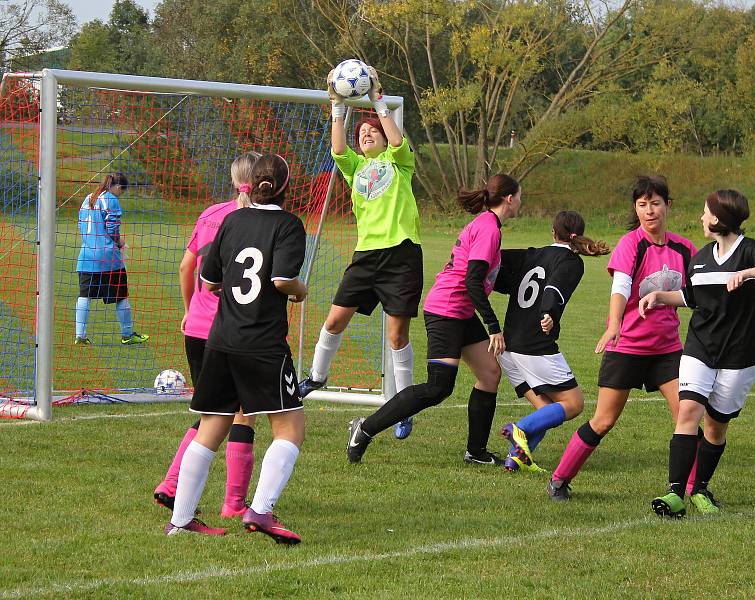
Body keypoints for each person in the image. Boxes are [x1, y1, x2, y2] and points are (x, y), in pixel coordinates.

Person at [165, 154, 307, 542]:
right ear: (285, 187)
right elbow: (282, 279)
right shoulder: (289, 224)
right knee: (290, 428)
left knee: (211, 426)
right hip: (261, 342)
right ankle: (260, 512)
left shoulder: (230, 220)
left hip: (221, 338)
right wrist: (301, 290)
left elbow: (208, 282)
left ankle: (180, 521)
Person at [346, 174, 522, 466]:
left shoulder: (488, 225)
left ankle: (475, 452)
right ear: (509, 198)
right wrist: (493, 327)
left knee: (490, 373)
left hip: (459, 311)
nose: (520, 201)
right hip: (447, 310)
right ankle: (364, 429)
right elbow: (473, 281)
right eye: (520, 196)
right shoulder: (488, 228)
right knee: (438, 387)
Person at [642, 190, 755, 517]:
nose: (701, 218)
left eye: (705, 212)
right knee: (688, 413)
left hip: (741, 353)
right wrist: (659, 296)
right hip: (700, 347)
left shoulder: (752, 251)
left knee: (715, 427)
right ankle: (675, 494)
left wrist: (751, 272)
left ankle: (700, 489)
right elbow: (692, 296)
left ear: (718, 218)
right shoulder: (699, 257)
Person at [546, 175, 697, 501]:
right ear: (636, 208)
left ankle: (693, 489)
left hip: (667, 350)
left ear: (667, 206)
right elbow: (621, 285)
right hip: (627, 347)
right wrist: (615, 323)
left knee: (687, 415)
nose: (649, 211)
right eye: (642, 205)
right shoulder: (632, 243)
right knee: (603, 420)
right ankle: (559, 479)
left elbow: (707, 292)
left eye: (655, 203)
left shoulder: (684, 248)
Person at [298, 65, 422, 440]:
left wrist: (377, 101)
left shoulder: (399, 164)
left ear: (385, 140)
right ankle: (317, 376)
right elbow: (338, 148)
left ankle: (404, 405)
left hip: (401, 256)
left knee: (396, 336)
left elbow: (398, 139)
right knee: (334, 320)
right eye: (362, 133)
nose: (367, 134)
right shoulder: (355, 170)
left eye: (373, 132)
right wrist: (337, 106)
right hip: (366, 256)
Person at [153, 151, 261, 518]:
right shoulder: (258, 222)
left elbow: (186, 265)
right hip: (236, 331)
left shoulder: (211, 214)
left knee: (209, 412)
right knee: (243, 414)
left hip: (198, 328)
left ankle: (171, 484)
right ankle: (232, 504)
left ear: (233, 180)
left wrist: (189, 310)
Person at [494, 211, 609, 473]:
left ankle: (517, 458)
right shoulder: (571, 261)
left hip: (508, 344)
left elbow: (496, 262)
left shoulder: (531, 253)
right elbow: (553, 289)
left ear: (553, 232)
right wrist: (549, 313)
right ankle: (519, 429)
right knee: (573, 404)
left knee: (545, 410)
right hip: (533, 346)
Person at [75, 172, 149, 345]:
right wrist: (119, 242)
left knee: (84, 296)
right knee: (121, 296)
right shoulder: (111, 199)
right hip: (108, 258)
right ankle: (127, 335)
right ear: (116, 187)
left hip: (86, 256)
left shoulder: (89, 198)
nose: (120, 194)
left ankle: (80, 335)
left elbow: (80, 223)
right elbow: (112, 227)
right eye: (121, 191)